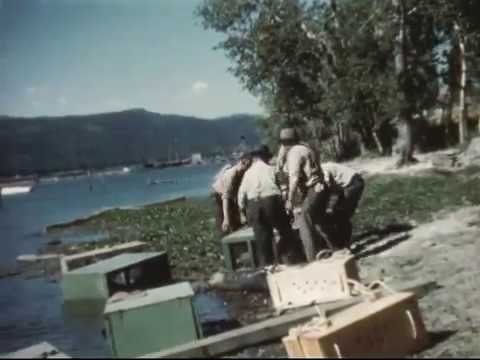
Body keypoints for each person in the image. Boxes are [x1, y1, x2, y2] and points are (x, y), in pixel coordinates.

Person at [278, 127, 335, 262]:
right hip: (321, 188)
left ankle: (312, 259)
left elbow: (294, 178)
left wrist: (289, 200)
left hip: (313, 189)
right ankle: (336, 249)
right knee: (318, 223)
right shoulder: (306, 148)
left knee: (303, 220)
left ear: (284, 143)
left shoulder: (294, 153)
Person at [238, 146, 299, 267]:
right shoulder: (272, 169)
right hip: (271, 200)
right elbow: (283, 189)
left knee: (262, 240)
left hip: (253, 204)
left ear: (254, 159)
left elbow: (241, 194)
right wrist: (288, 205)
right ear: (265, 157)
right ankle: (292, 261)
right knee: (285, 231)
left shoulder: (248, 173)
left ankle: (267, 267)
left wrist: (242, 212)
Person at [321, 162, 365, 249]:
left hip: (353, 183)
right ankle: (344, 243)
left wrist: (329, 206)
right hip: (347, 184)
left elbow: (329, 186)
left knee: (343, 214)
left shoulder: (322, 169)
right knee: (340, 214)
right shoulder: (323, 167)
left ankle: (346, 245)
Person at [211, 153, 252, 234]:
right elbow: (225, 198)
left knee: (236, 218)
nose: (247, 169)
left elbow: (240, 194)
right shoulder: (231, 174)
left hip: (231, 194)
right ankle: (223, 231)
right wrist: (226, 219)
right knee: (223, 217)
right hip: (220, 194)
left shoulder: (242, 173)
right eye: (246, 166)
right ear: (241, 162)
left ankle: (236, 229)